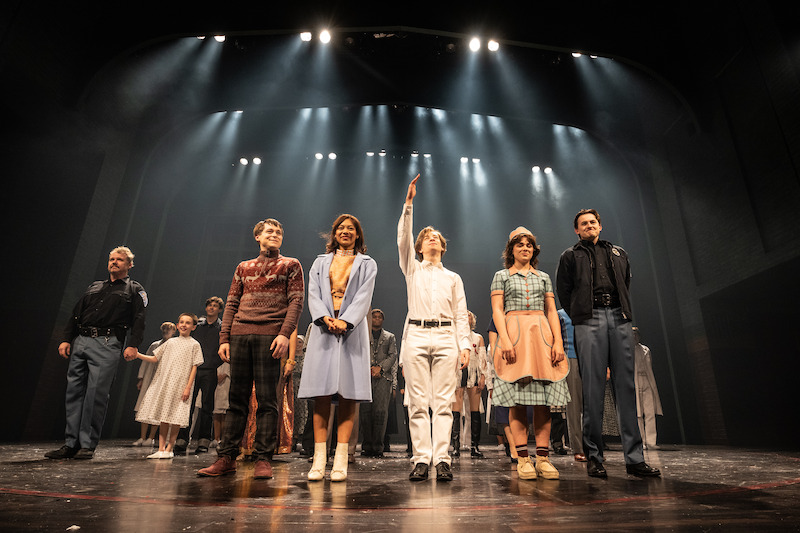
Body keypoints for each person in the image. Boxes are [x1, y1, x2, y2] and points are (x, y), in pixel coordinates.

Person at [556, 208, 661, 478]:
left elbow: (626, 283)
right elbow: (563, 292)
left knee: (625, 387)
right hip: (589, 319)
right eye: (583, 224)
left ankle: (635, 459)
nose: (589, 226)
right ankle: (594, 456)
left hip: (619, 318)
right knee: (592, 388)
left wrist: (619, 313)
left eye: (593, 222)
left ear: (600, 226)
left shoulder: (618, 253)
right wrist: (581, 315)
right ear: (577, 230)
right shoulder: (570, 255)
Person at [197, 218, 304, 480]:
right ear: (257, 236)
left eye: (279, 231)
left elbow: (296, 303)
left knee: (268, 401)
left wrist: (283, 334)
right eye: (270, 231)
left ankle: (263, 459)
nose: (275, 234)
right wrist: (224, 338)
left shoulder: (291, 265)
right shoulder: (243, 267)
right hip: (239, 337)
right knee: (237, 400)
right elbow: (232, 303)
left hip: (270, 336)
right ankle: (226, 457)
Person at [398, 174, 470, 482]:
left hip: (445, 335)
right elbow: (402, 240)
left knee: (443, 402)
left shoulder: (453, 277)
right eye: (426, 236)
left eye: (436, 236)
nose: (432, 238)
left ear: (442, 246)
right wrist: (409, 205)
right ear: (419, 245)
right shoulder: (411, 268)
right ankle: (421, 460)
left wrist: (464, 345)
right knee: (417, 402)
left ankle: (442, 459)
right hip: (415, 334)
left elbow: (461, 313)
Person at [46, 246, 148, 460]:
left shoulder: (134, 289)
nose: (114, 262)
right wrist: (66, 338)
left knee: (95, 394)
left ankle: (87, 444)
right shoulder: (94, 286)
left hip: (107, 342)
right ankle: (70, 443)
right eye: (111, 259)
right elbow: (76, 314)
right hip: (81, 341)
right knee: (74, 393)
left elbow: (139, 319)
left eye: (119, 260)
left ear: (130, 265)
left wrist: (133, 344)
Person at [299, 214, 377, 482]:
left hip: (351, 331)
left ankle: (341, 459)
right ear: (333, 234)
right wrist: (323, 318)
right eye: (341, 228)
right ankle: (320, 460)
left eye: (351, 229)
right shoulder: (320, 262)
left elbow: (364, 296)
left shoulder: (368, 263)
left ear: (358, 235)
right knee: (321, 394)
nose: (346, 232)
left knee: (348, 394)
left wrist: (346, 321)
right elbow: (313, 293)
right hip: (324, 328)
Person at [491, 227, 569, 481]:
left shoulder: (543, 277)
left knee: (543, 400)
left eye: (529, 245)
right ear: (511, 249)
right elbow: (497, 310)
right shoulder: (501, 276)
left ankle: (543, 458)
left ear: (534, 249)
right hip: (515, 335)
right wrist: (504, 340)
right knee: (517, 400)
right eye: (519, 245)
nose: (525, 248)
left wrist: (557, 342)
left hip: (540, 337)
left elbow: (551, 311)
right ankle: (523, 458)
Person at [135, 313, 204, 459]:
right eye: (181, 322)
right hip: (167, 383)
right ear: (178, 325)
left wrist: (188, 387)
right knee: (164, 417)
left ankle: (169, 448)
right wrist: (138, 355)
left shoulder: (194, 344)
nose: (184, 325)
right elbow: (155, 358)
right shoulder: (170, 342)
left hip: (181, 384)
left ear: (193, 327)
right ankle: (161, 449)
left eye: (187, 323)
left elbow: (194, 367)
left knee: (176, 417)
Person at [174, 296, 224, 455]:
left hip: (210, 371)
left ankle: (204, 441)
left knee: (207, 407)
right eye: (209, 305)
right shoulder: (198, 326)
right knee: (186, 405)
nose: (211, 308)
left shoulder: (221, 328)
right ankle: (182, 440)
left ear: (219, 310)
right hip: (193, 370)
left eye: (215, 306)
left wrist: (215, 365)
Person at [360, 308, 398, 458]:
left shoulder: (390, 337)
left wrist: (380, 368)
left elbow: (393, 355)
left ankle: (378, 446)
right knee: (365, 412)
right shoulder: (363, 334)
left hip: (383, 378)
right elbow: (360, 352)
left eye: (379, 317)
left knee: (380, 413)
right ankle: (366, 445)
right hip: (366, 376)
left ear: (382, 320)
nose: (376, 319)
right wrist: (369, 368)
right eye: (373, 317)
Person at [132, 321, 176, 447]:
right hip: (150, 377)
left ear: (174, 331)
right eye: (165, 329)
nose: (166, 331)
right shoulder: (154, 345)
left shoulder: (174, 345)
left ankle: (151, 437)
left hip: (163, 379)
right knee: (144, 405)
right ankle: (142, 436)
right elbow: (145, 362)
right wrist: (140, 378)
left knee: (158, 407)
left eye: (169, 329)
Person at [451, 311, 489, 458]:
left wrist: (483, 376)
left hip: (474, 374)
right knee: (456, 410)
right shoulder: (454, 337)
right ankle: (456, 446)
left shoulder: (478, 338)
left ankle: (475, 446)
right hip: (458, 374)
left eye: (469, 315)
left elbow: (483, 358)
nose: (466, 317)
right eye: (464, 315)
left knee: (474, 411)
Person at [558, 308, 586, 462]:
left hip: (589, 357)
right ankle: (578, 448)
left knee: (591, 405)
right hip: (570, 358)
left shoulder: (588, 312)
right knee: (573, 405)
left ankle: (592, 446)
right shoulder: (560, 314)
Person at [633, 327, 663, 450]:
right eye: (632, 335)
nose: (634, 337)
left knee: (649, 412)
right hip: (635, 381)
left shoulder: (645, 349)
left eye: (636, 335)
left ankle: (651, 442)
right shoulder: (627, 350)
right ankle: (642, 441)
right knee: (638, 414)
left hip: (647, 380)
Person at [212, 360, 230, 448]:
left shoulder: (229, 364)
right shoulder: (216, 362)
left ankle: (223, 438)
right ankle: (216, 438)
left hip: (226, 389)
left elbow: (221, 377)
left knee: (224, 414)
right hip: (217, 390)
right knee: (216, 413)